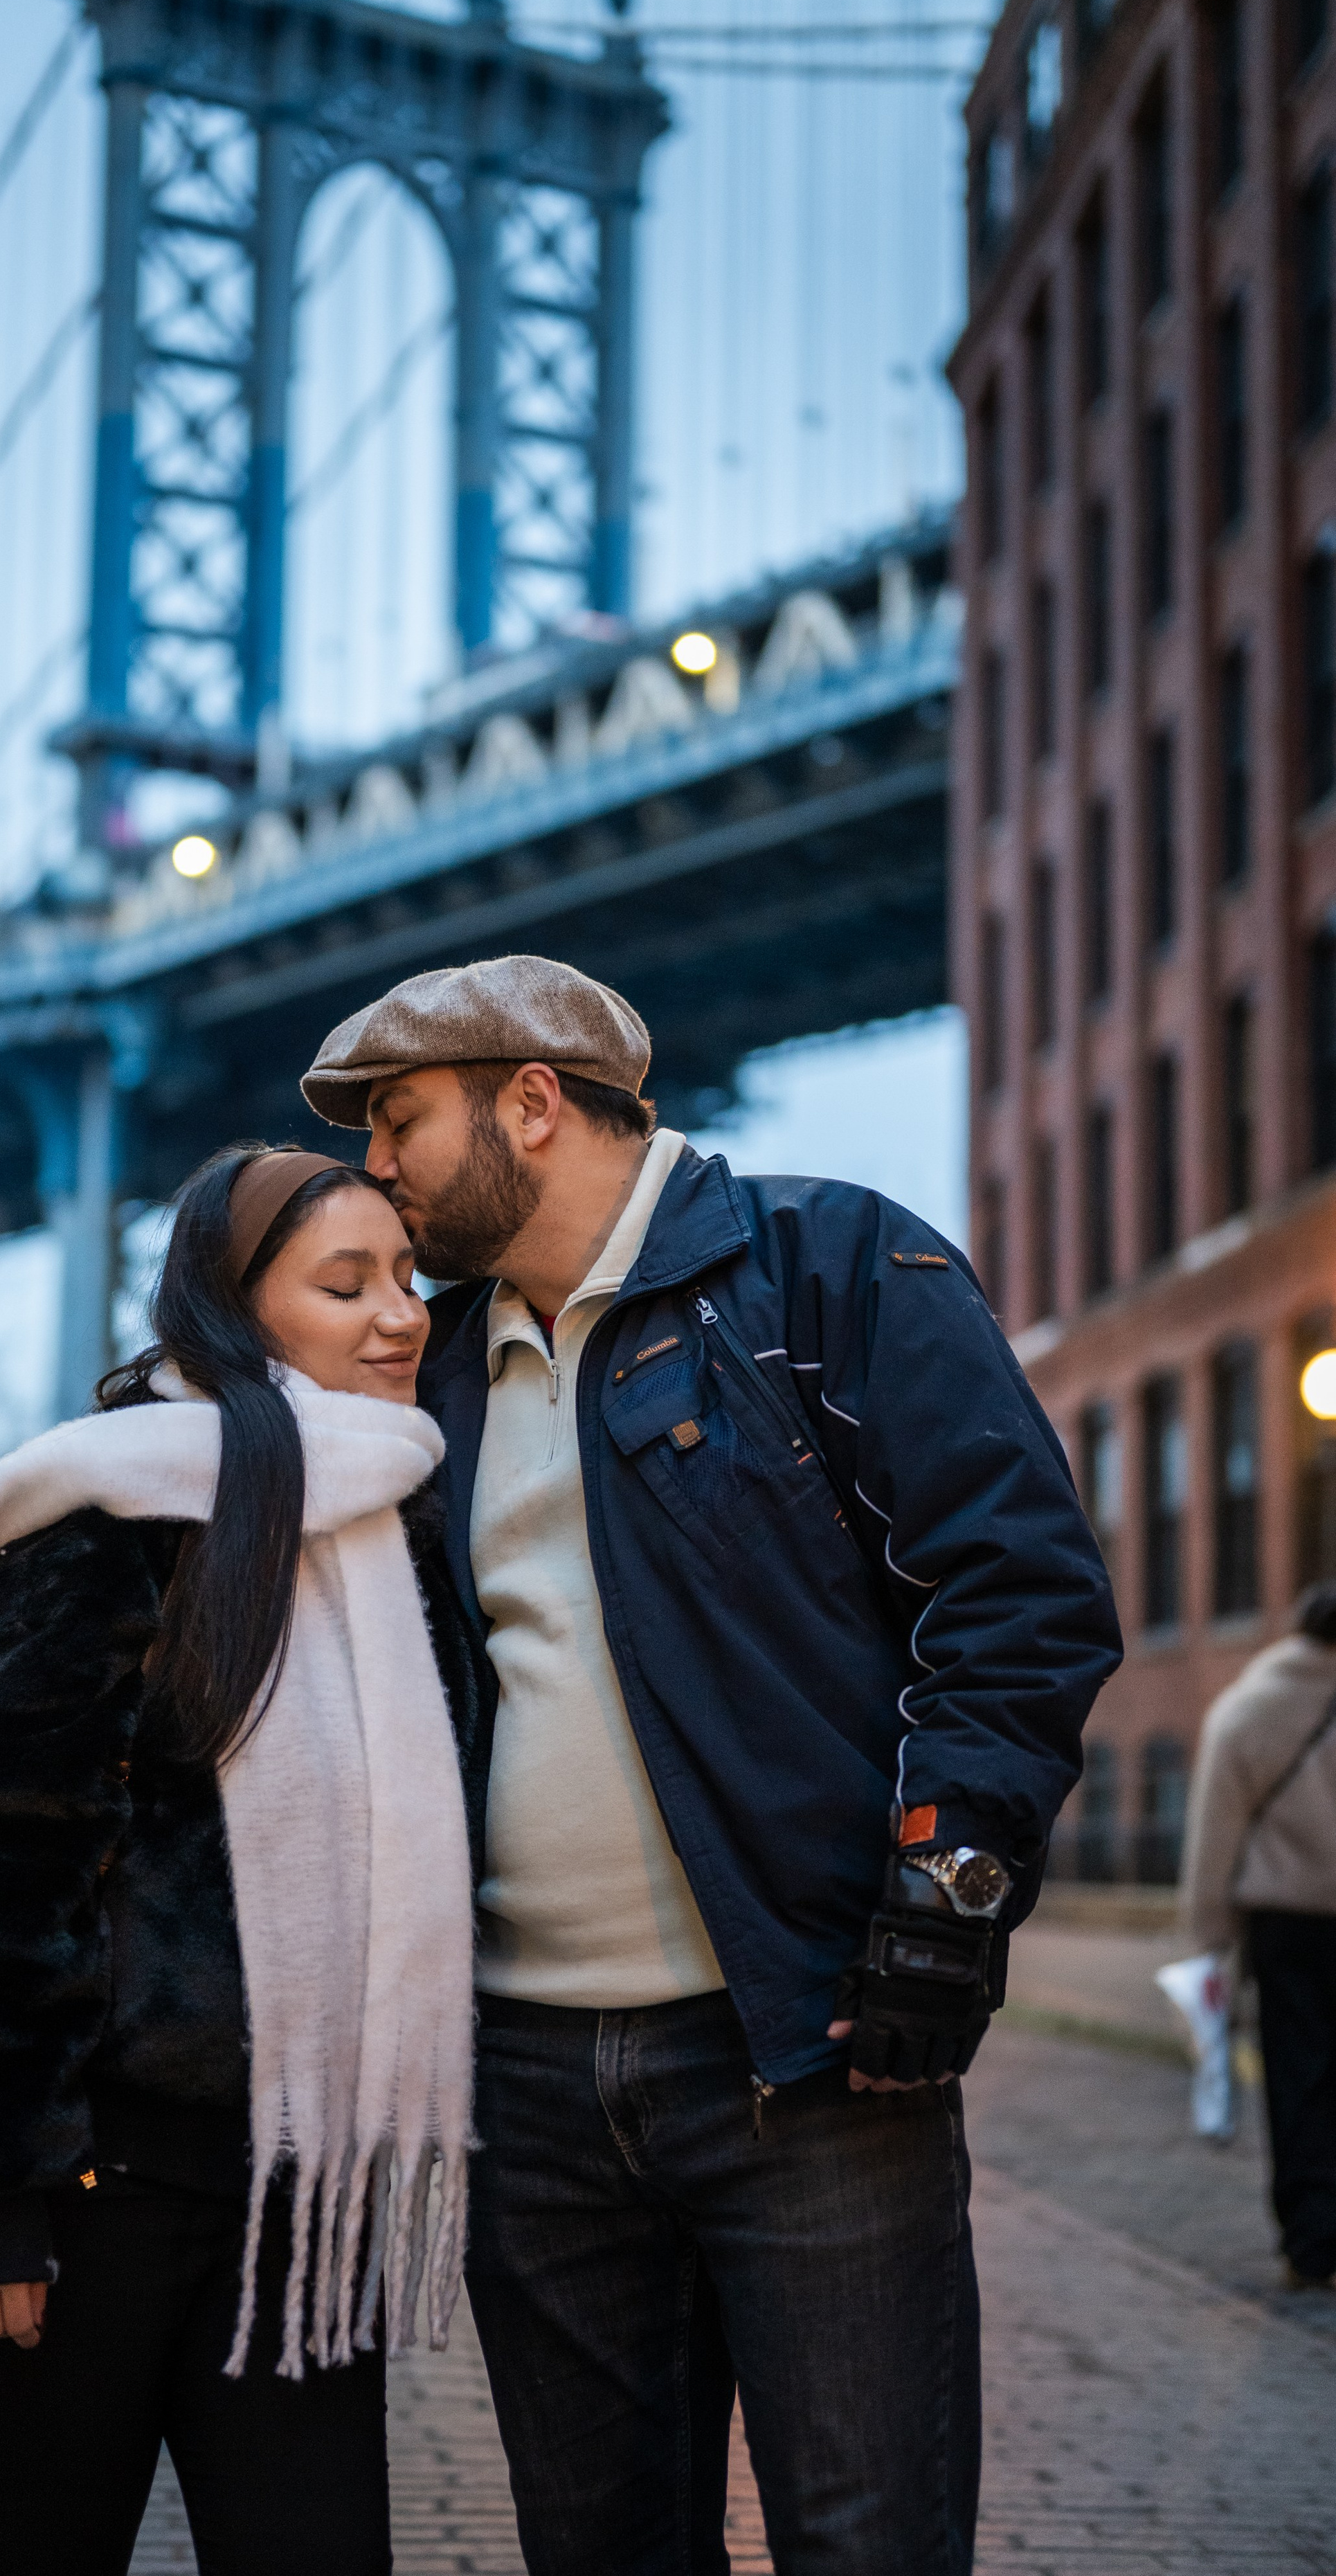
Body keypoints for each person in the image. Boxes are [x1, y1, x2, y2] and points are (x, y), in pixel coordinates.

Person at [302, 953, 1123, 2576]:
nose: (373, 1169)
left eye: (397, 1120)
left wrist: (941, 1904)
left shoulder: (830, 1268)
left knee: (864, 2541)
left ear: (529, 1102)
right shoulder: (437, 1371)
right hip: (524, 2087)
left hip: (806, 2058)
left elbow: (1017, 1597)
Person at [0, 1145, 489, 2576]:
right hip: (71, 2202)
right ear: (231, 1313)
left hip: (289, 2196)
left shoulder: (396, 1531)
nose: (400, 1314)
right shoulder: (102, 1518)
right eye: (343, 1283)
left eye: (407, 1278)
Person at [1180, 1585, 1336, 2294]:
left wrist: (1208, 1942)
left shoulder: (1250, 1708)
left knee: (1298, 2079)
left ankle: (1311, 2243)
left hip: (1290, 1927)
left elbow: (1214, 1840)